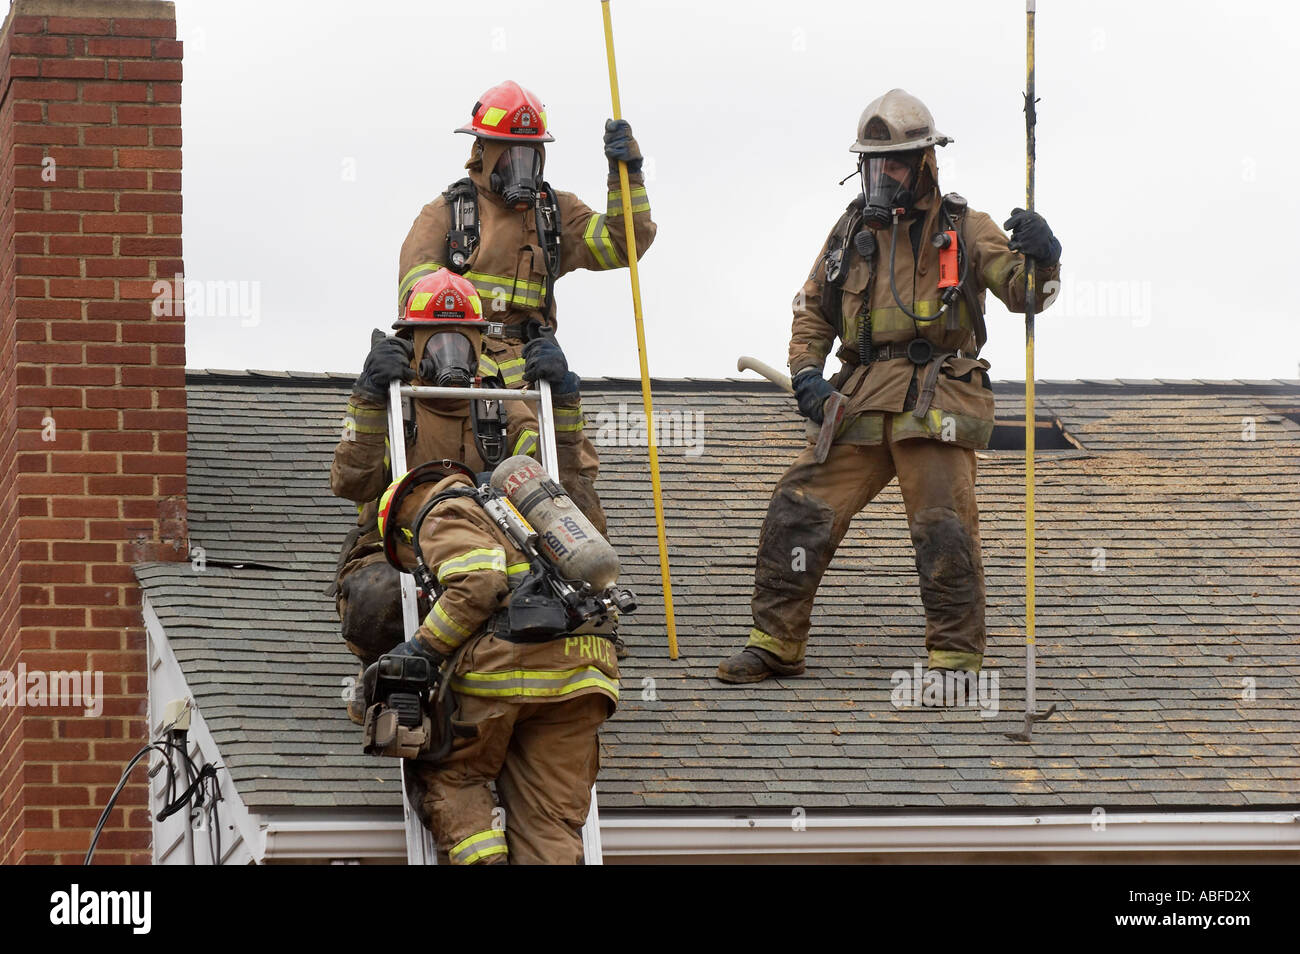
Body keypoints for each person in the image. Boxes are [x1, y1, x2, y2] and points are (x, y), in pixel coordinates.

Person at [716, 89, 1062, 686]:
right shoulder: (851, 231)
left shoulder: (966, 226)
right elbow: (812, 308)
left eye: (896, 162)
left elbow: (1025, 294)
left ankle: (955, 661)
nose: (883, 175)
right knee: (798, 506)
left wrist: (1044, 257)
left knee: (942, 523)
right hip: (863, 393)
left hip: (938, 395)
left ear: (926, 162)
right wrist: (805, 372)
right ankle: (776, 644)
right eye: (875, 163)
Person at [397, 79, 656, 539]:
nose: (521, 165)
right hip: (458, 369)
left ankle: (589, 590)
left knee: (570, 479)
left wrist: (627, 176)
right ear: (482, 151)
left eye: (530, 153)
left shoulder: (554, 214)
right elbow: (415, 297)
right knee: (430, 467)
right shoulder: (445, 215)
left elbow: (623, 242)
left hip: (536, 371)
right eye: (510, 152)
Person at [329, 267, 585, 690]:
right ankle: (380, 668)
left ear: (481, 342)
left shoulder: (498, 405)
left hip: (495, 543)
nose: (451, 351)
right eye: (436, 336)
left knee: (568, 575)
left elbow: (562, 483)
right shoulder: (394, 403)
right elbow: (351, 483)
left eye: (462, 337)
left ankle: (524, 669)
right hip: (401, 546)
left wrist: (561, 401)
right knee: (378, 595)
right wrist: (369, 400)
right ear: (413, 342)